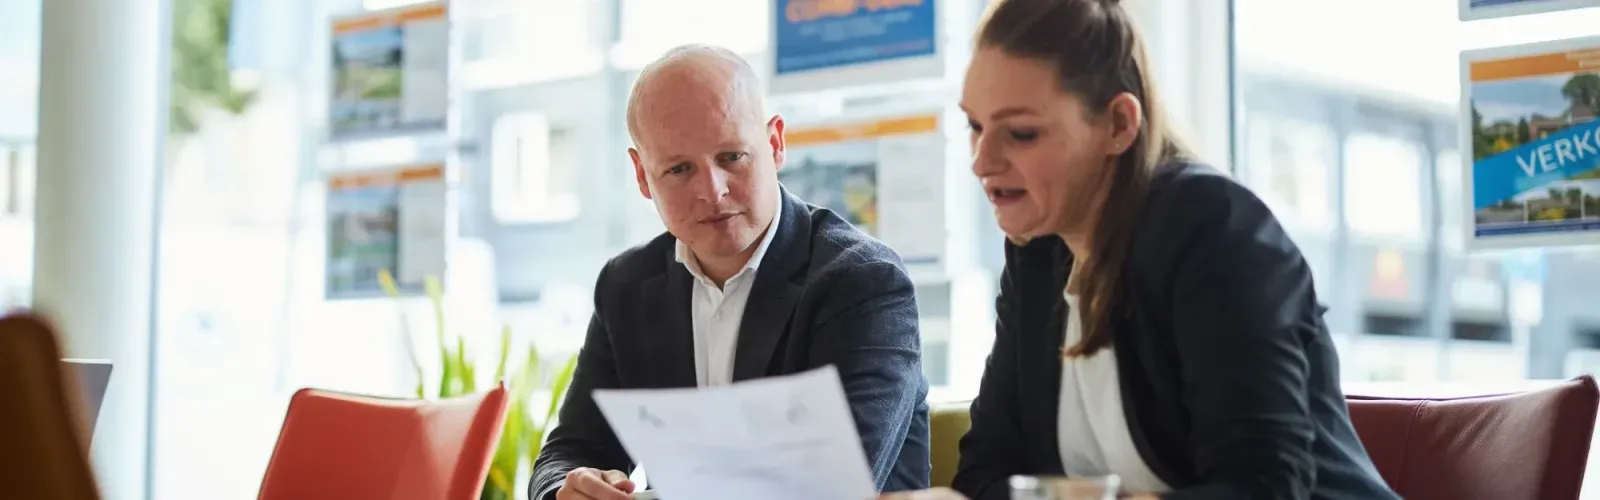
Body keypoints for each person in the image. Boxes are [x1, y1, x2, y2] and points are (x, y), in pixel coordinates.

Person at [884, 0, 1400, 499]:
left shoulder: (1214, 227)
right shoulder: (1037, 250)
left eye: (1020, 133)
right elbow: (987, 471)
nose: (982, 160)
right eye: (975, 126)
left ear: (1118, 125)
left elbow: (1263, 485)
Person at [530, 44, 931, 500]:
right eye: (679, 169)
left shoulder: (863, 282)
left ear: (775, 143)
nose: (712, 191)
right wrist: (569, 489)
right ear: (643, 177)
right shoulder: (627, 287)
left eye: (731, 157)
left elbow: (831, 488)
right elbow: (571, 449)